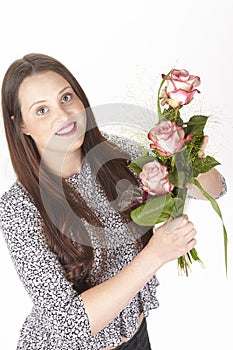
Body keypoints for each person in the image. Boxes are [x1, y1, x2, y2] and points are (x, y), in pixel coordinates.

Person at [0, 53, 225, 350]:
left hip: (137, 337)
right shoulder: (18, 208)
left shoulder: (117, 155)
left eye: (66, 97)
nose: (63, 115)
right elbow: (70, 325)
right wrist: (154, 256)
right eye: (41, 110)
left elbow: (216, 189)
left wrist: (190, 160)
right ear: (21, 126)